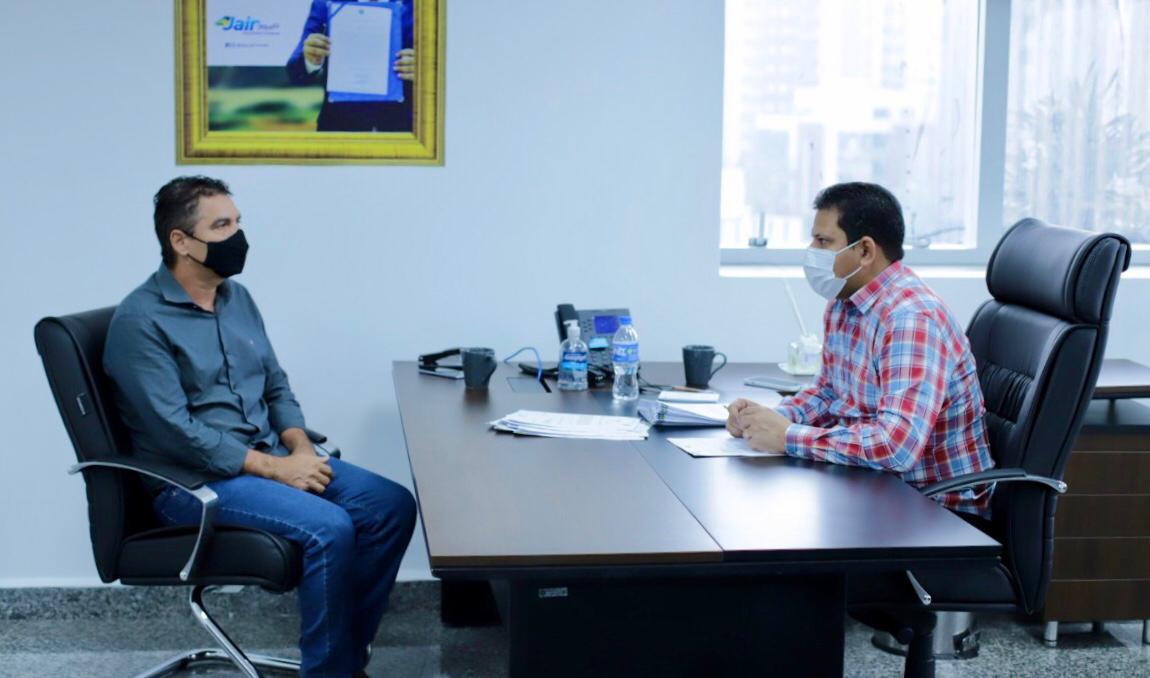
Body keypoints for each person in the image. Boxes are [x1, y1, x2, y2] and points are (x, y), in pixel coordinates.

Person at [104, 176, 417, 677]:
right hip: (195, 482)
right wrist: (276, 469)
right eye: (221, 226)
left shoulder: (238, 299)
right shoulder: (140, 321)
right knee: (329, 527)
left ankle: (342, 660)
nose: (237, 236)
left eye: (238, 222)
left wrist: (299, 448)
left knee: (390, 505)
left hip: (270, 455)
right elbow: (174, 431)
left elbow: (275, 386)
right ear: (180, 241)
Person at [726, 182, 995, 515]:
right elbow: (829, 394)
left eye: (823, 241)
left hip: (934, 509)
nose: (811, 251)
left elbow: (896, 446)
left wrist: (789, 436)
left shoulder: (910, 319)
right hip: (875, 488)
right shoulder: (844, 302)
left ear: (865, 250)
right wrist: (769, 419)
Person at [287, 0, 416, 132]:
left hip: (404, 131)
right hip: (340, 130)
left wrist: (424, 68)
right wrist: (310, 60)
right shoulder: (324, 3)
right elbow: (296, 72)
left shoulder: (422, 7)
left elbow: (430, 66)